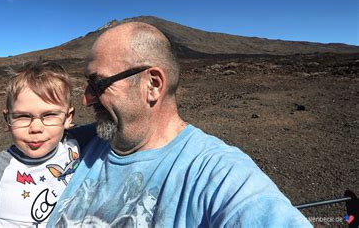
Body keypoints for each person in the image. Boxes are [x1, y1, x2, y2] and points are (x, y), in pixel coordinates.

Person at [47, 22, 312, 227]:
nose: (85, 99)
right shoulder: (78, 144)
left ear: (152, 85)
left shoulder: (217, 174)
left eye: (98, 83)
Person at [0, 61, 95, 227]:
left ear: (68, 118)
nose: (35, 128)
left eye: (49, 115)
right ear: (8, 120)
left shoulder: (74, 141)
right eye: (23, 116)